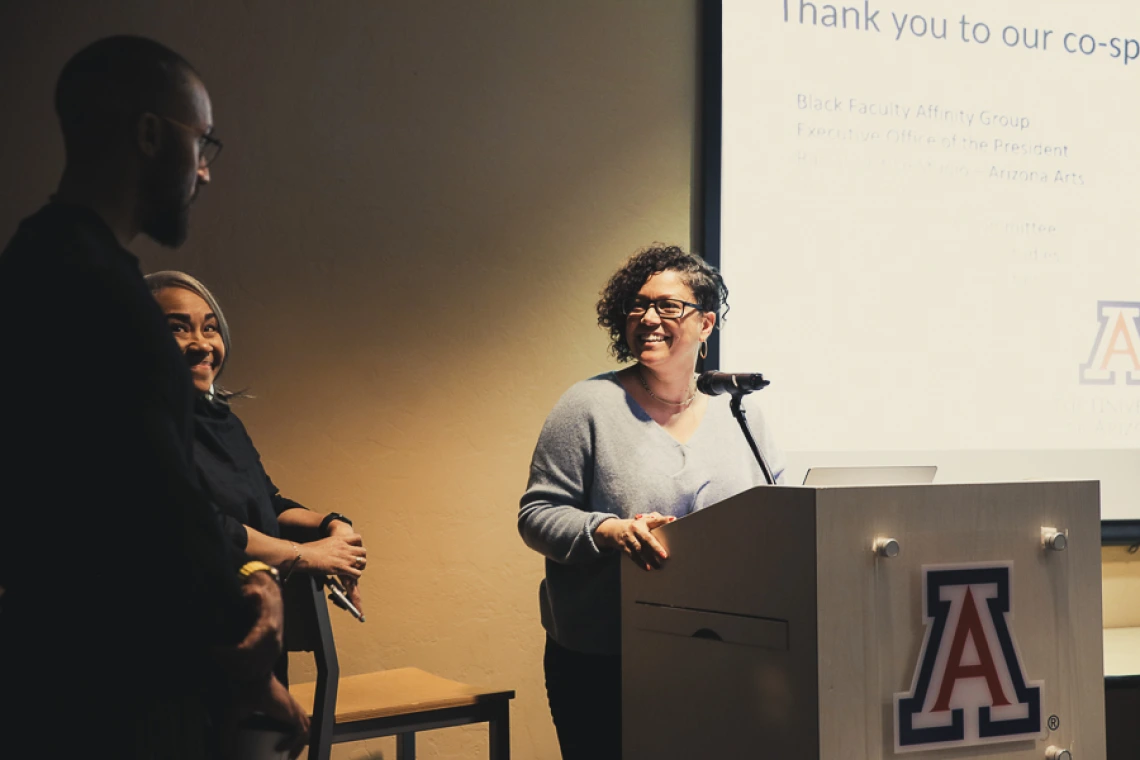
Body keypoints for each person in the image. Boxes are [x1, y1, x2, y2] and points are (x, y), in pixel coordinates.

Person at [0, 36, 306, 759]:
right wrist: (249, 652)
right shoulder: (94, 293)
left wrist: (254, 572)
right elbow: (150, 512)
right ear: (147, 134)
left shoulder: (42, 267)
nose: (205, 172)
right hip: (109, 691)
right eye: (201, 143)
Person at [518, 244, 785, 760]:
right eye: (638, 306)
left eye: (668, 307)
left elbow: (777, 516)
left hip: (721, 652)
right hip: (607, 658)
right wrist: (609, 531)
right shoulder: (588, 405)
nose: (648, 319)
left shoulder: (739, 416)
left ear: (706, 324)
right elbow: (537, 516)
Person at [145, 269, 368, 639]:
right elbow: (205, 526)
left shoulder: (224, 422)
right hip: (185, 640)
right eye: (178, 329)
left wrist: (332, 527)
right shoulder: (140, 428)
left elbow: (268, 502)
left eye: (210, 328)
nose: (202, 344)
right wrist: (307, 555)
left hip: (249, 633)